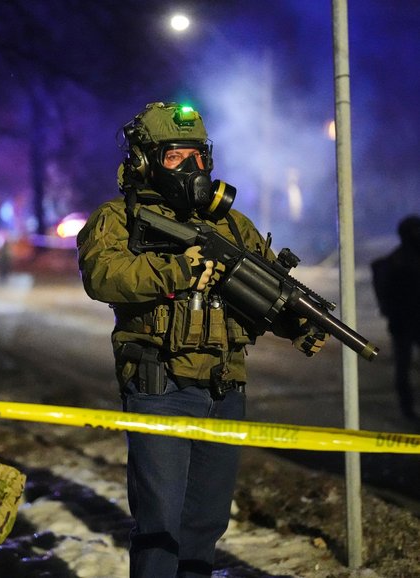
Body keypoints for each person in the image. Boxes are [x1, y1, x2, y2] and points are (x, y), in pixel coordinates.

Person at [76, 102, 327, 578]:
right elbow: (104, 275)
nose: (191, 167)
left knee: (206, 523)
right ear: (145, 160)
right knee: (160, 525)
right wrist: (178, 269)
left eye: (197, 155)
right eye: (175, 157)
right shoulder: (118, 218)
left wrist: (298, 324)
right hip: (161, 386)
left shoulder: (232, 225)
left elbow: (268, 289)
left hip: (225, 388)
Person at [371, 215, 420, 421]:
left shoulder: (395, 260)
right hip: (403, 323)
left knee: (403, 367)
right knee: (402, 368)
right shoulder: (395, 262)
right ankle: (407, 410)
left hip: (406, 322)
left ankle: (407, 409)